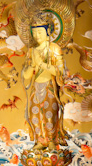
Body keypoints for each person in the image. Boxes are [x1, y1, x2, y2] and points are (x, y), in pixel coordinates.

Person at [22, 14, 68, 151]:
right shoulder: (31, 51)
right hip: (36, 88)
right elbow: (26, 75)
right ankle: (40, 141)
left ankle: (52, 141)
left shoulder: (54, 49)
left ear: (48, 31)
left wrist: (42, 64)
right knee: (35, 115)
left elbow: (60, 72)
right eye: (34, 32)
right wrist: (32, 66)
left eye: (40, 32)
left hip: (49, 86)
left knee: (50, 115)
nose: (37, 35)